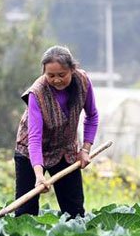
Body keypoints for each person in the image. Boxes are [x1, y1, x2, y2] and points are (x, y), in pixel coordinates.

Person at [14, 45, 99, 218]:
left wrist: (85, 150)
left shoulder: (83, 81)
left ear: (72, 69)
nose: (57, 80)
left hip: (65, 150)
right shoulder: (36, 93)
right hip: (31, 152)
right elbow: (34, 139)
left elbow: (92, 116)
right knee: (26, 213)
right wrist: (39, 176)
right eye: (50, 75)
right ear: (44, 72)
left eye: (62, 75)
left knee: (74, 212)